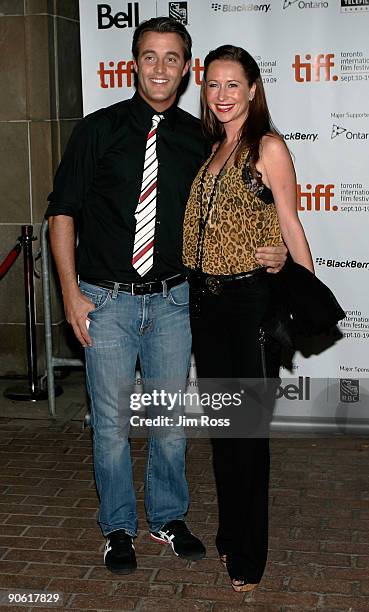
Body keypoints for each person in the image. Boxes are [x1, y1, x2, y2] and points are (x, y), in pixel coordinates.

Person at [46, 20, 287, 576]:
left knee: (169, 418)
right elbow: (62, 212)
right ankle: (117, 527)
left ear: (186, 69)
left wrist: (272, 250)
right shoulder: (95, 130)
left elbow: (233, 210)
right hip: (105, 300)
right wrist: (69, 294)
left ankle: (168, 517)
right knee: (109, 423)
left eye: (172, 58)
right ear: (134, 62)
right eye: (149, 56)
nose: (160, 68)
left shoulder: (202, 139)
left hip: (175, 301)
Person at [183, 45, 314, 592]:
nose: (222, 94)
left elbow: (290, 222)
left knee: (249, 438)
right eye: (212, 84)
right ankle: (230, 531)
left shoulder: (268, 147)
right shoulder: (212, 146)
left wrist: (302, 289)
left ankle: (249, 557)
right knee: (223, 433)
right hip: (206, 307)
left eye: (233, 84)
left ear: (254, 89)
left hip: (249, 307)